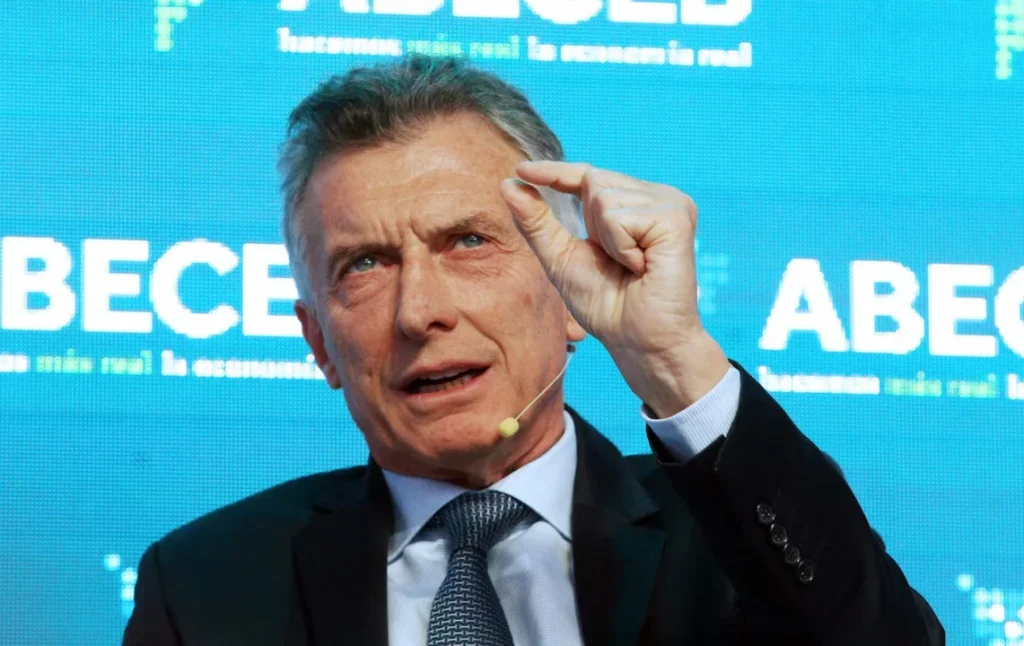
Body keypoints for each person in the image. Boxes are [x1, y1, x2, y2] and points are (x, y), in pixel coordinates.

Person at [123, 55, 944, 645]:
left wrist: (674, 362)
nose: (421, 312)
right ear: (320, 344)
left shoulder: (730, 537)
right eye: (365, 265)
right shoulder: (204, 588)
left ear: (568, 292)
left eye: (468, 241)